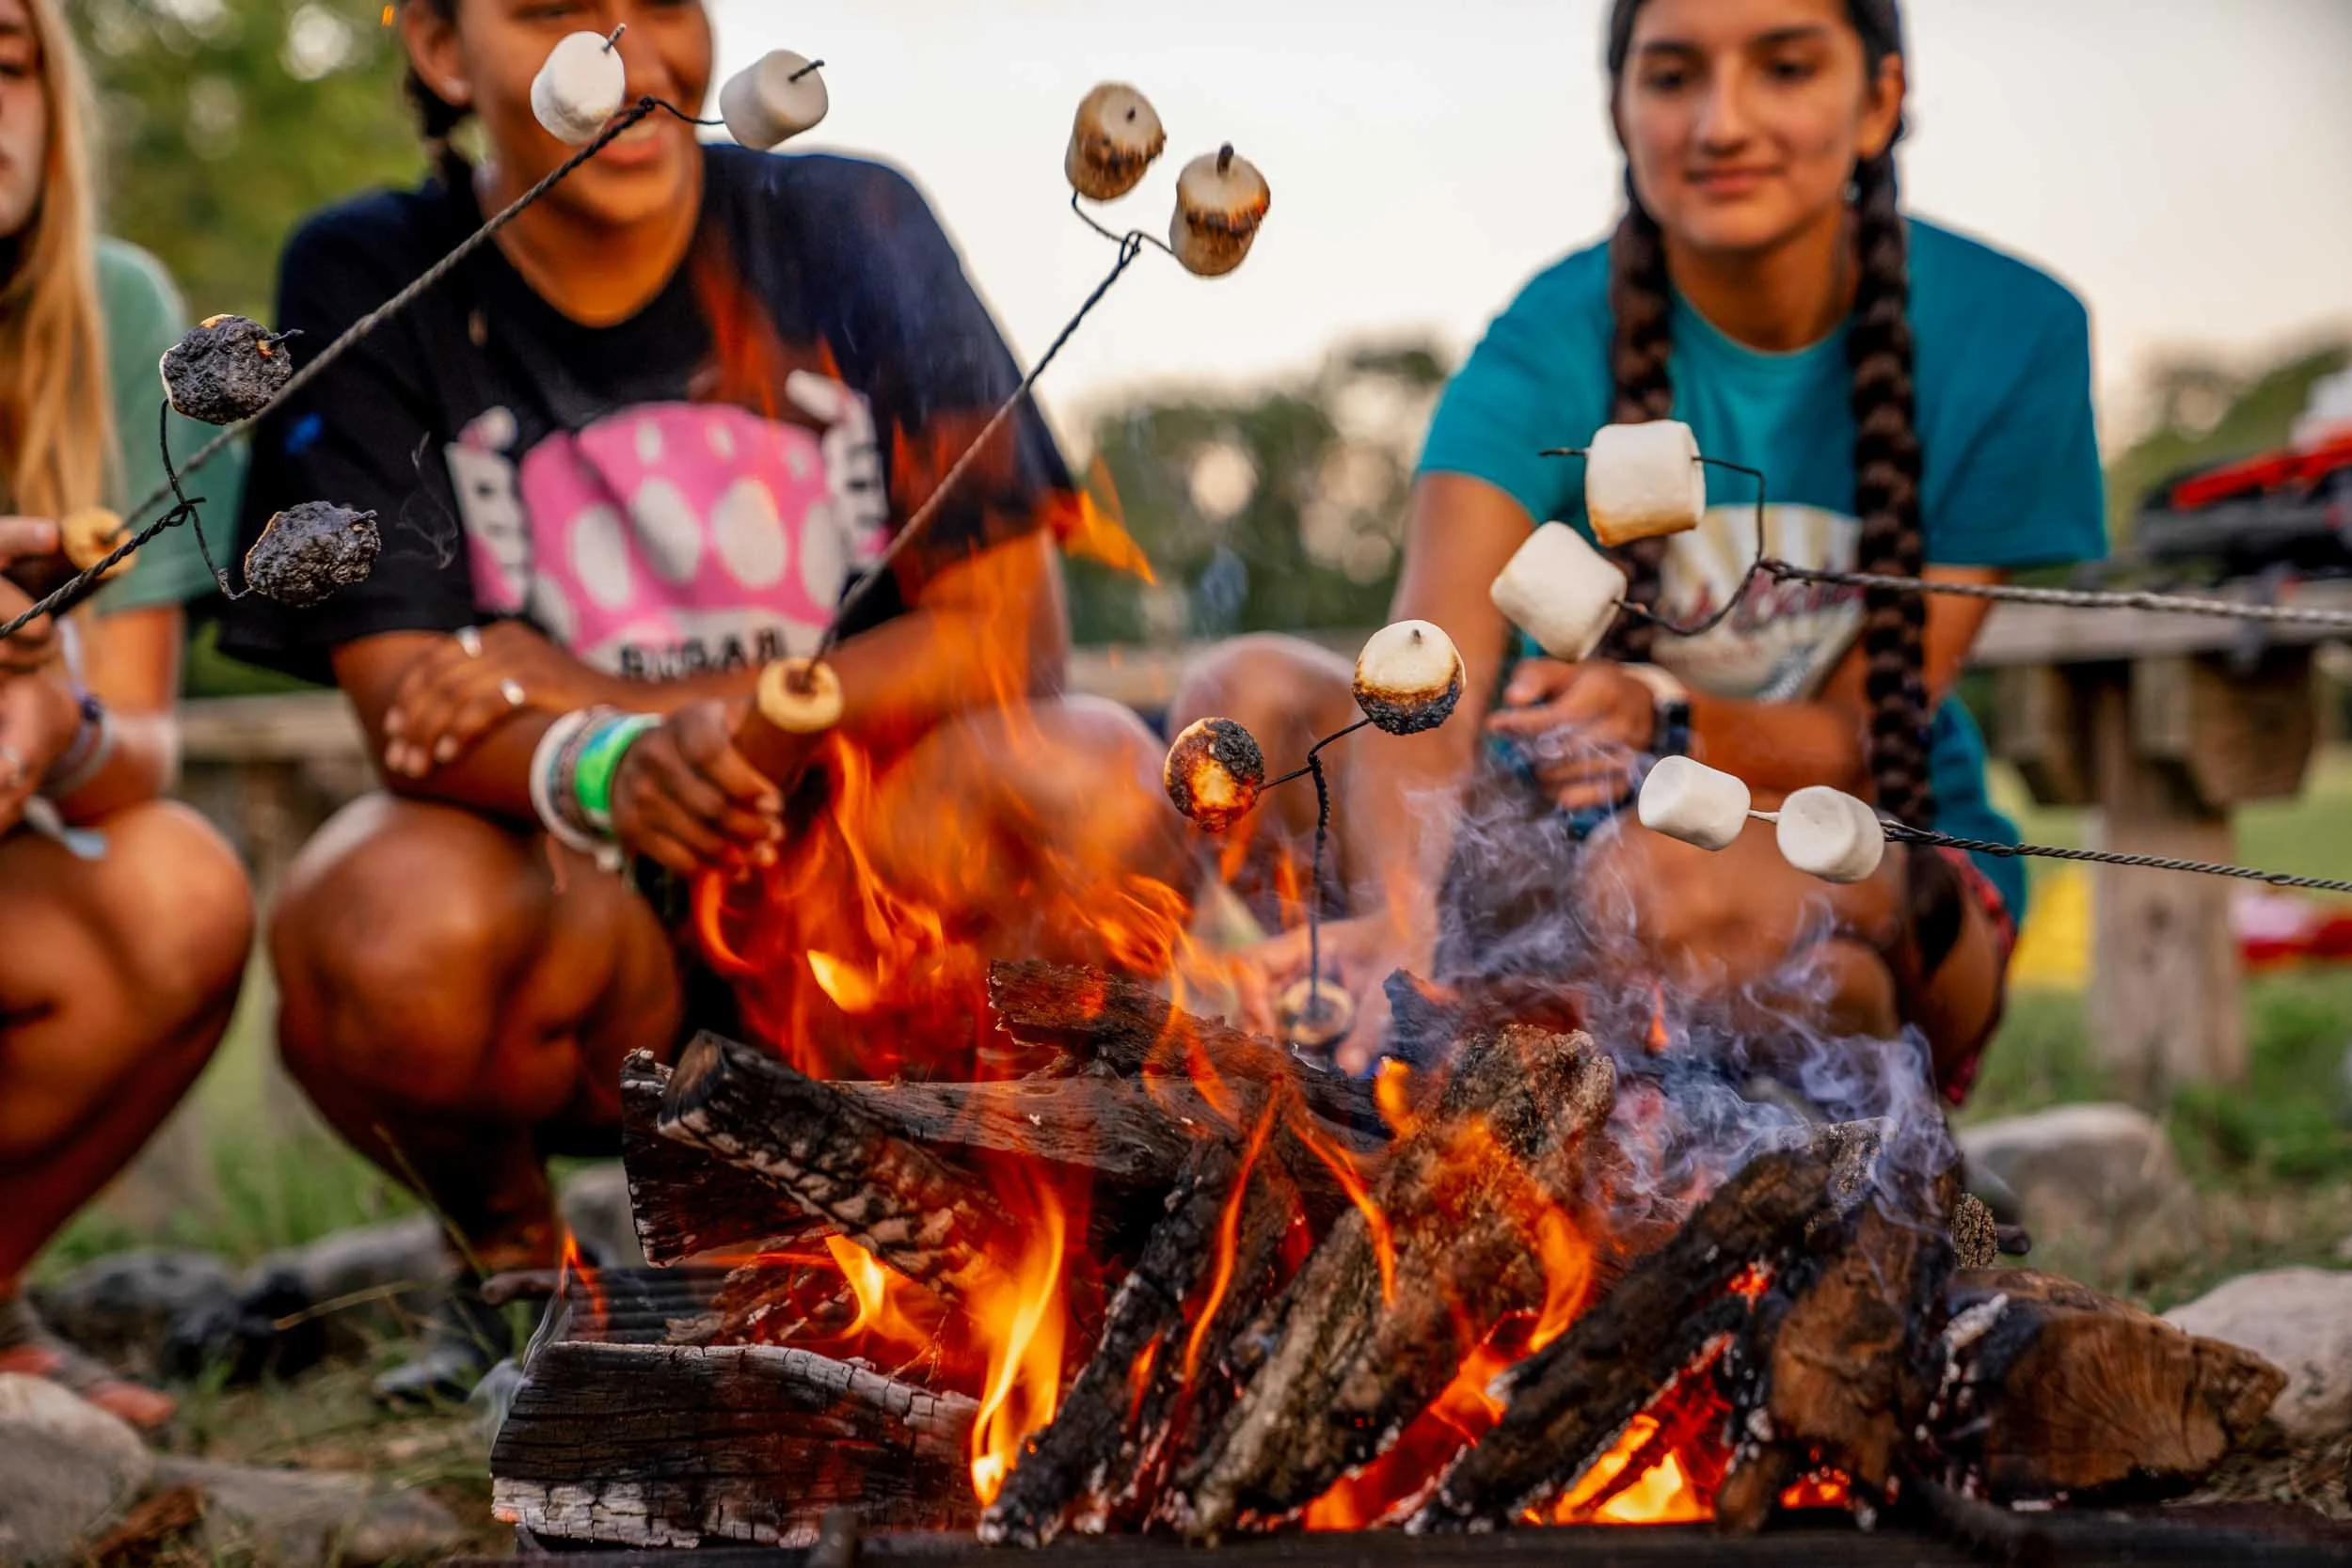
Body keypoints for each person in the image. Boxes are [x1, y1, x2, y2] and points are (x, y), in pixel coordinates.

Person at [223, 0, 1188, 1402]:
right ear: (440, 52)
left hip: (861, 872)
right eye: (552, 11)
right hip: (587, 905)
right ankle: (515, 1273)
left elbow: (1007, 631)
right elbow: (408, 704)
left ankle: (943, 1231)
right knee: (377, 920)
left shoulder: (849, 221)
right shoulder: (368, 273)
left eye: (663, 4)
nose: (629, 59)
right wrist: (613, 766)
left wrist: (605, 702)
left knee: (1096, 774)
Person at [1179, 0, 2103, 1091]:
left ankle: (1845, 1111)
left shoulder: (2009, 331)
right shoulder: (1548, 338)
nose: (1720, 123)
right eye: (1671, 77)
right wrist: (1399, 905)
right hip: (1565, 856)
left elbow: (1855, 734)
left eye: (1786, 67)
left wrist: (1660, 711)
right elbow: (1423, 668)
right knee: (1245, 695)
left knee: (1660, 882)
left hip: (1863, 847)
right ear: (1619, 108)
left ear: (1879, 102)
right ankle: (1493, 1053)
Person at [0, 0, 255, 1428]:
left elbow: (141, 740)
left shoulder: (123, 320)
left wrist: (55, 726)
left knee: (177, 891)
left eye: (2, 63)